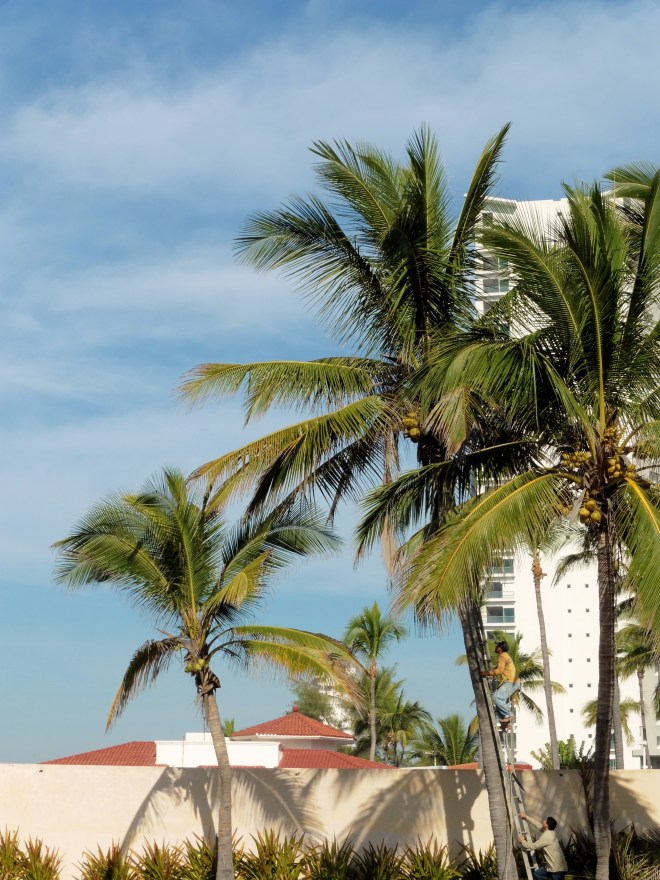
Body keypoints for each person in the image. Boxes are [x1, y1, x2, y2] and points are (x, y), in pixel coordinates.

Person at [517, 813, 568, 880]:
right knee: (537, 874)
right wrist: (526, 817)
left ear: (547, 825)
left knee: (538, 875)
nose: (544, 820)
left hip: (557, 869)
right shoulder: (550, 831)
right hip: (552, 866)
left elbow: (533, 846)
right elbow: (538, 825)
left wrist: (523, 841)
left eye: (545, 820)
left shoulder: (547, 836)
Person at [481, 639, 520, 726]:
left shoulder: (502, 656)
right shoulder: (506, 656)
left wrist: (486, 673)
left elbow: (499, 671)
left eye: (497, 646)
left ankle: (509, 714)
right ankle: (505, 719)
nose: (495, 647)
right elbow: (498, 668)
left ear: (500, 648)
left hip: (511, 682)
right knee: (500, 703)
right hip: (514, 682)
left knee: (495, 697)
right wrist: (490, 671)